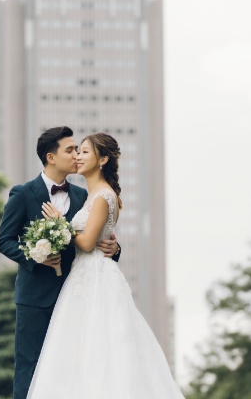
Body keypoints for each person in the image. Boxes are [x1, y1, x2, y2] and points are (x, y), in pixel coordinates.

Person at [27, 132, 185, 398]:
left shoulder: (102, 197)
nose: (78, 156)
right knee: (80, 349)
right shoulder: (91, 196)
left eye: (85, 152)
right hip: (84, 276)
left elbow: (88, 243)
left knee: (100, 347)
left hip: (96, 278)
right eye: (77, 151)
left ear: (102, 159)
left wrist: (58, 223)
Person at [0, 126, 121, 399]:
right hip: (35, 297)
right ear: (51, 157)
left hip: (76, 294)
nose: (76, 154)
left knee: (70, 368)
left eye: (79, 149)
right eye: (70, 149)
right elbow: (4, 241)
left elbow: (92, 234)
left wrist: (116, 248)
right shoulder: (23, 193)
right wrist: (35, 256)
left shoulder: (82, 196)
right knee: (29, 367)